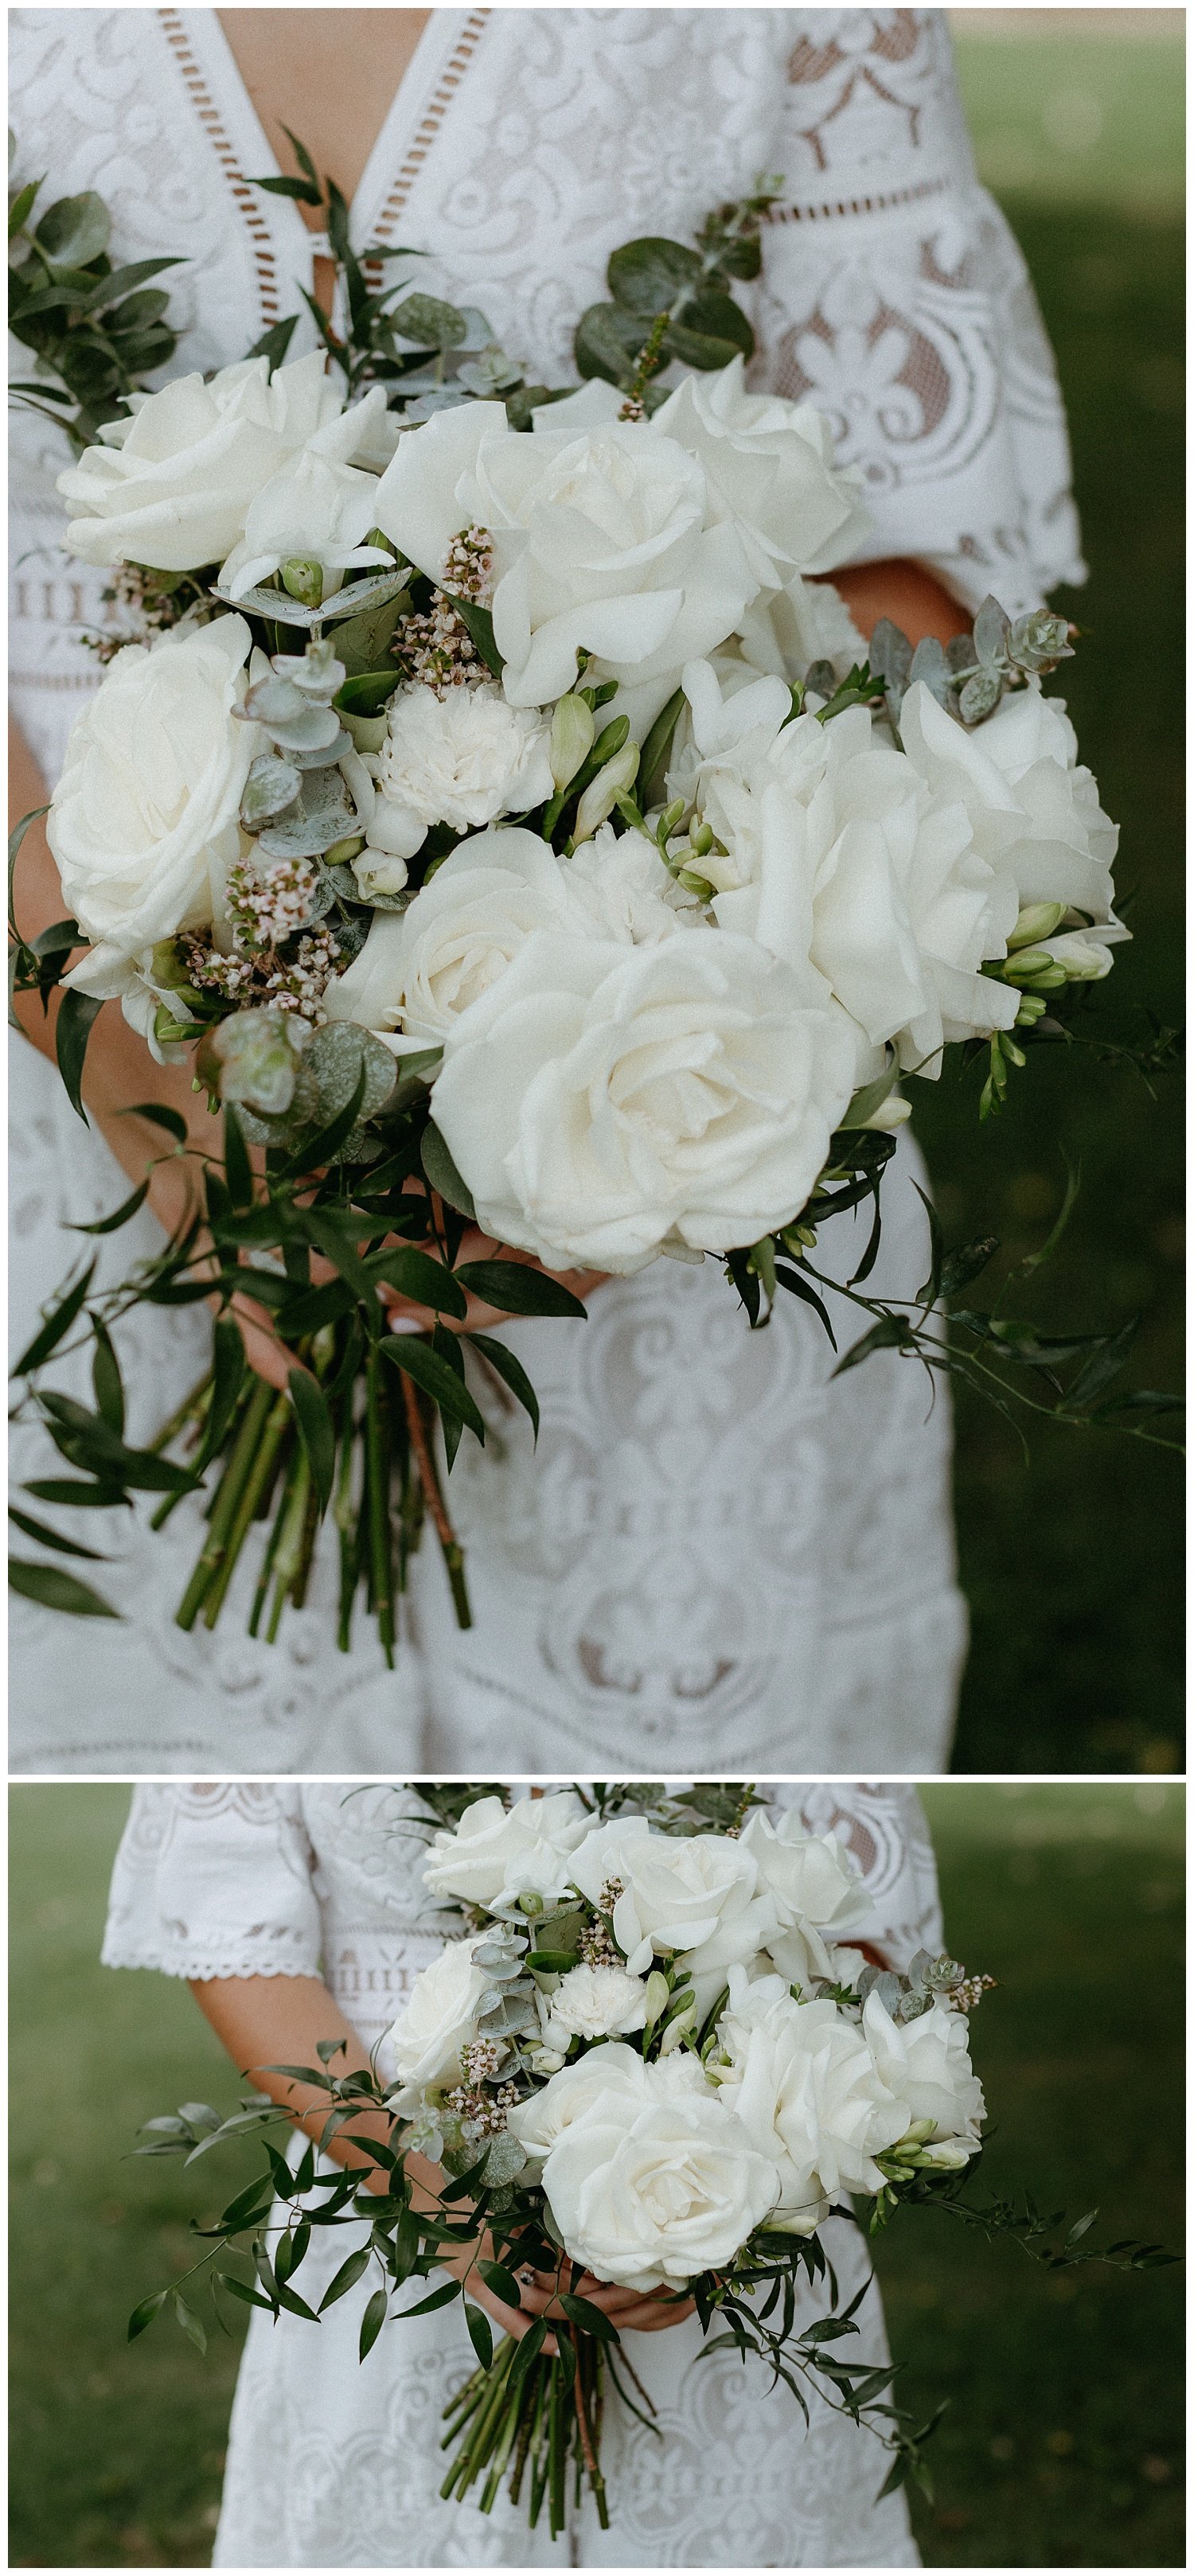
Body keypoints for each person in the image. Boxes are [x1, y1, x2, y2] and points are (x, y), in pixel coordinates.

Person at [9, 10, 1084, 1773]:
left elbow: (935, 595)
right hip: (61, 1092)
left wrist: (581, 1107)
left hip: (674, 1147)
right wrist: (190, 1138)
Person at [103, 1776, 945, 2567]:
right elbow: (232, 1927)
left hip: (733, 2196)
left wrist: (705, 2221)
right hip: (384, 2196)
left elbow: (858, 1934)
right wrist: (436, 2206)